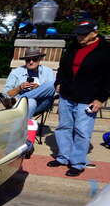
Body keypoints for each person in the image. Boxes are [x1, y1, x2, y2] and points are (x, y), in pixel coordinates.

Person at [47, 19, 110, 177]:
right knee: (63, 127)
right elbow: (63, 67)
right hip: (67, 95)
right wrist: (58, 82)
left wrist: (101, 98)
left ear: (94, 33)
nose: (79, 37)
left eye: (83, 34)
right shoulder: (73, 46)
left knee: (82, 131)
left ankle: (77, 163)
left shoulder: (106, 50)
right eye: (78, 34)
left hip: (88, 98)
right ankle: (63, 157)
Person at [0, 48, 56, 118]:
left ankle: (19, 100)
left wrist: (39, 88)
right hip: (23, 106)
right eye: (28, 60)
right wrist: (19, 88)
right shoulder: (16, 72)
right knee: (31, 102)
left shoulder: (47, 71)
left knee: (52, 85)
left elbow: (53, 92)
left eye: (35, 59)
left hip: (41, 102)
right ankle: (24, 127)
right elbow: (6, 94)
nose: (31, 62)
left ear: (39, 59)